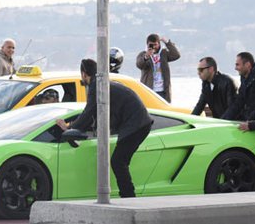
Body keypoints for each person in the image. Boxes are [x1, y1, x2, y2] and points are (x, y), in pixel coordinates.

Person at [56, 59, 152, 198]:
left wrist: (69, 127)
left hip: (136, 125)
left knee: (118, 161)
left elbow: (88, 113)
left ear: (84, 74)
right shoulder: (101, 84)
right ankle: (128, 194)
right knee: (119, 161)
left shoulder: (97, 86)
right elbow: (93, 114)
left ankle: (128, 196)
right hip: (138, 123)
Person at [222, 52, 255, 121]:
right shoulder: (245, 78)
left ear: (247, 64)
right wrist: (224, 119)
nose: (236, 68)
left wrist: (249, 122)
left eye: (238, 65)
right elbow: (239, 102)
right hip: (247, 120)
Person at [135, 34, 180, 102]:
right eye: (151, 45)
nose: (154, 47)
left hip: (163, 91)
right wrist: (146, 57)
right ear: (147, 45)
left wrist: (167, 42)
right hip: (148, 90)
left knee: (163, 111)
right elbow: (139, 65)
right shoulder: (143, 54)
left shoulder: (164, 53)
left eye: (156, 44)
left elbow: (176, 55)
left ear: (159, 44)